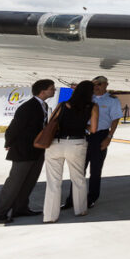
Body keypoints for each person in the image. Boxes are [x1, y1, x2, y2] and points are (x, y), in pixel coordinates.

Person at [0, 79, 55, 224]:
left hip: (37, 151)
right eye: (51, 88)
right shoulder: (27, 107)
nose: (54, 91)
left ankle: (21, 208)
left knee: (29, 181)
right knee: (14, 183)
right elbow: (13, 128)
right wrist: (9, 143)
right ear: (43, 91)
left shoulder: (44, 105)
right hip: (23, 151)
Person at [43, 80, 98, 223]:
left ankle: (49, 216)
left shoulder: (63, 105)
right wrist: (81, 124)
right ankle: (80, 210)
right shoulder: (92, 106)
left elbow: (51, 121)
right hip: (77, 143)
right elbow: (93, 129)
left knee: (53, 181)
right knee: (78, 178)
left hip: (56, 144)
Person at [85, 75, 122, 208]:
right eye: (94, 84)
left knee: (95, 169)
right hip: (85, 135)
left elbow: (115, 119)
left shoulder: (112, 100)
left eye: (99, 84)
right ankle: (72, 199)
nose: (96, 87)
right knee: (78, 169)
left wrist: (109, 138)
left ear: (106, 85)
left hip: (100, 136)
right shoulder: (88, 98)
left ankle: (92, 198)